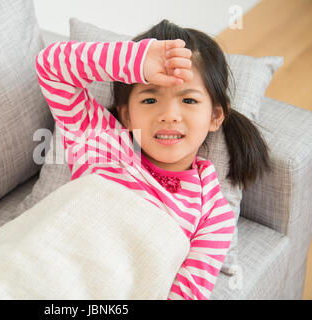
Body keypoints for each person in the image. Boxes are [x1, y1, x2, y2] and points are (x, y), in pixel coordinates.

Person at [35, 19, 271, 300]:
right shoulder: (101, 144)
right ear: (126, 113)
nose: (169, 114)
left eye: (189, 100)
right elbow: (50, 68)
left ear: (215, 115)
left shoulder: (212, 213)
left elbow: (186, 294)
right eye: (149, 100)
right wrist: (135, 61)